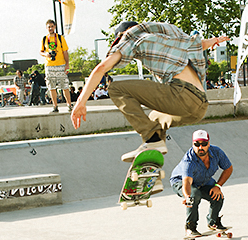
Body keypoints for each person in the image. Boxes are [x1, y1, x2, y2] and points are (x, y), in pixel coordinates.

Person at [71, 21, 228, 167]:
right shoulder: (169, 38)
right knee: (153, 119)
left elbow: (101, 68)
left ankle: (152, 140)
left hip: (182, 95)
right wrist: (215, 40)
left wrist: (81, 101)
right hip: (199, 107)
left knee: (116, 88)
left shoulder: (131, 37)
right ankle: (152, 169)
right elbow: (199, 45)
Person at [170, 129, 233, 236]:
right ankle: (190, 227)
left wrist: (218, 186)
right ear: (192, 144)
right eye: (197, 144)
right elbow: (187, 181)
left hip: (203, 180)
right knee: (194, 196)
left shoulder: (217, 152)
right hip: (180, 181)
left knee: (218, 196)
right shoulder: (188, 160)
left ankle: (213, 222)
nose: (200, 147)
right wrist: (187, 196)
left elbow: (228, 169)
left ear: (208, 143)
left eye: (204, 144)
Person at [41, 19, 73, 113]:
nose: (50, 28)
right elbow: (41, 51)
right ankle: (55, 106)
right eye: (49, 27)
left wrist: (67, 64)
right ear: (46, 28)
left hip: (61, 64)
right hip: (49, 65)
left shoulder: (60, 38)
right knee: (51, 87)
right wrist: (46, 54)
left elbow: (65, 51)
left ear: (55, 27)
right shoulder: (44, 39)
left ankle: (69, 105)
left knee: (65, 85)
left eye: (52, 26)